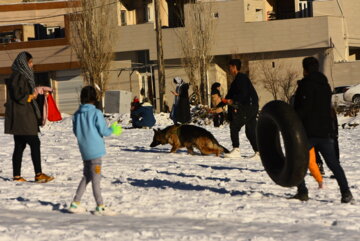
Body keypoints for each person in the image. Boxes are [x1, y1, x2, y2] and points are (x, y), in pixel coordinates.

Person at [292, 56, 353, 203]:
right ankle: (346, 192)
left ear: (305, 69)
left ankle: (302, 191)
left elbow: (303, 108)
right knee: (333, 164)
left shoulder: (305, 85)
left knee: (298, 161)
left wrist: (293, 118)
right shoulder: (325, 85)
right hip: (325, 130)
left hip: (309, 131)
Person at [69, 86, 122, 215]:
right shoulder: (96, 113)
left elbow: (76, 132)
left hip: (85, 151)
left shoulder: (76, 114)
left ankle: (75, 203)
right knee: (96, 179)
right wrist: (114, 129)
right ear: (95, 98)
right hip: (96, 152)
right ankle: (100, 206)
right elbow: (104, 131)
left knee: (87, 176)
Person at [4, 51, 53, 183]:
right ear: (23, 63)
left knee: (19, 145)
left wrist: (36, 92)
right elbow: (17, 94)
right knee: (34, 142)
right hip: (22, 116)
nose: (32, 65)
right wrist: (30, 97)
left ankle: (17, 176)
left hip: (22, 115)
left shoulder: (22, 75)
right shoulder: (18, 75)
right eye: (30, 62)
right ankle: (38, 174)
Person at [222, 59, 259, 158]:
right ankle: (258, 152)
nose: (229, 69)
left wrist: (233, 101)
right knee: (250, 131)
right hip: (251, 106)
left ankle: (236, 149)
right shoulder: (236, 80)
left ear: (234, 67)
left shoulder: (241, 78)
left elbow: (244, 94)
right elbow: (228, 96)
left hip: (249, 106)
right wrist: (216, 107)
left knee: (234, 125)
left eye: (230, 67)